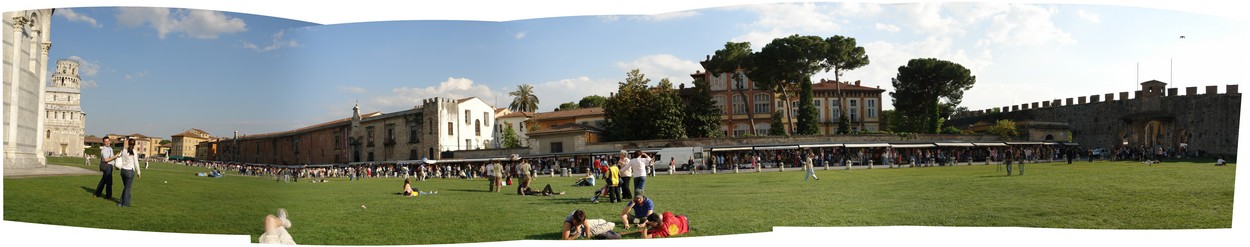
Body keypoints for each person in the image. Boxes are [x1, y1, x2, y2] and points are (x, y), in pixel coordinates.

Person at [116, 138, 142, 207]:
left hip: (123, 171)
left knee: (126, 187)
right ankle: (126, 204)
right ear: (134, 144)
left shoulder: (124, 150)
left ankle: (120, 203)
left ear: (128, 143)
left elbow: (119, 157)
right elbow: (136, 163)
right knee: (127, 188)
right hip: (130, 171)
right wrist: (138, 172)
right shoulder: (134, 152)